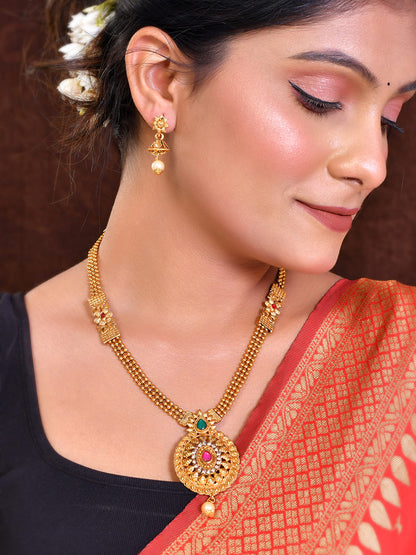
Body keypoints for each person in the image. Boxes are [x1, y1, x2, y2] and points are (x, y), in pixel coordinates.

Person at [1, 0, 416, 553]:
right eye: (320, 98)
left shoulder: (401, 352)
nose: (372, 165)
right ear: (161, 80)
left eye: (390, 119)